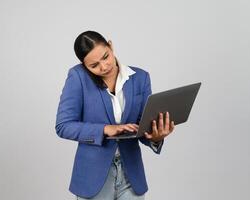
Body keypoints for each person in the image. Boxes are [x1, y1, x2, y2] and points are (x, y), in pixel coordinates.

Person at [55, 30, 175, 200]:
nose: (104, 66)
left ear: (110, 46)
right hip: (93, 176)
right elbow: (63, 126)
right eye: (94, 65)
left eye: (105, 56)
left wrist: (155, 137)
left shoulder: (140, 78)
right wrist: (105, 129)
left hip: (131, 175)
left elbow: (141, 126)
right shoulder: (78, 77)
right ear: (84, 65)